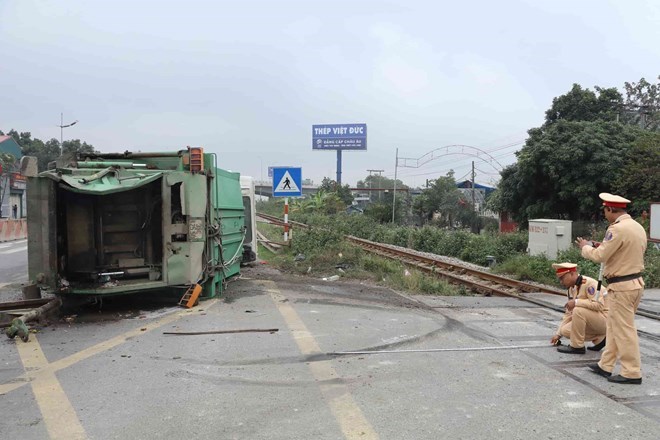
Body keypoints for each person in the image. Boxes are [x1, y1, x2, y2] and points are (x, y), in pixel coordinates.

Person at [577, 193, 647, 385]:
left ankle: (631, 372)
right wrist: (603, 246)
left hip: (622, 286)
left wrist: (585, 247)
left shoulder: (616, 229)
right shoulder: (636, 227)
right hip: (634, 284)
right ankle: (606, 364)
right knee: (615, 326)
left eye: (605, 211)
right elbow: (623, 251)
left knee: (624, 329)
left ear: (610, 210)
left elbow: (600, 255)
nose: (605, 214)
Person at [551, 263, 608, 354]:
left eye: (562, 278)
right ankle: (600, 338)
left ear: (572, 273)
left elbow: (599, 305)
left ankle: (577, 347)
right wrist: (558, 334)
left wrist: (576, 302)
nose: (561, 282)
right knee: (565, 331)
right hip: (595, 321)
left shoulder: (589, 284)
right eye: (559, 279)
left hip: (607, 319)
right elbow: (568, 314)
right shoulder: (571, 290)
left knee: (578, 310)